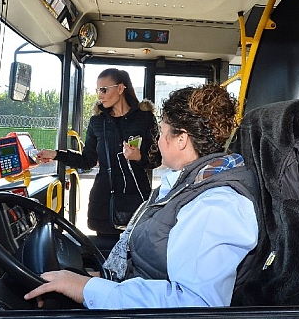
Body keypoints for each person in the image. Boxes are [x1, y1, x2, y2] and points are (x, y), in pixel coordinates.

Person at [26, 84, 259, 309]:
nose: (157, 140)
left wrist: (88, 288)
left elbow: (193, 305)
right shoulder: (186, 185)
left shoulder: (216, 206)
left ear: (181, 139)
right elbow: (149, 265)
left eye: (162, 132)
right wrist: (98, 279)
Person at [37, 68, 161, 236]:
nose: (99, 95)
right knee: (104, 252)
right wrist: (56, 154)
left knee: (135, 250)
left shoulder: (144, 118)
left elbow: (157, 159)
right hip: (104, 199)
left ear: (120, 88)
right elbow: (87, 161)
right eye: (97, 90)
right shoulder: (97, 122)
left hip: (136, 197)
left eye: (104, 89)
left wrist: (139, 157)